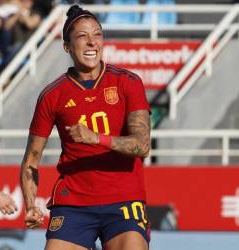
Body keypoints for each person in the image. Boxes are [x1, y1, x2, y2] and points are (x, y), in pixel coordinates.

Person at [20, 4, 151, 250]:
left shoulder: (128, 82)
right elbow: (31, 160)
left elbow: (142, 146)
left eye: (97, 34)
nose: (92, 42)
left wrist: (96, 139)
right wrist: (30, 205)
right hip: (73, 202)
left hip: (123, 199)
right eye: (82, 36)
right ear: (67, 47)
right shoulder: (52, 95)